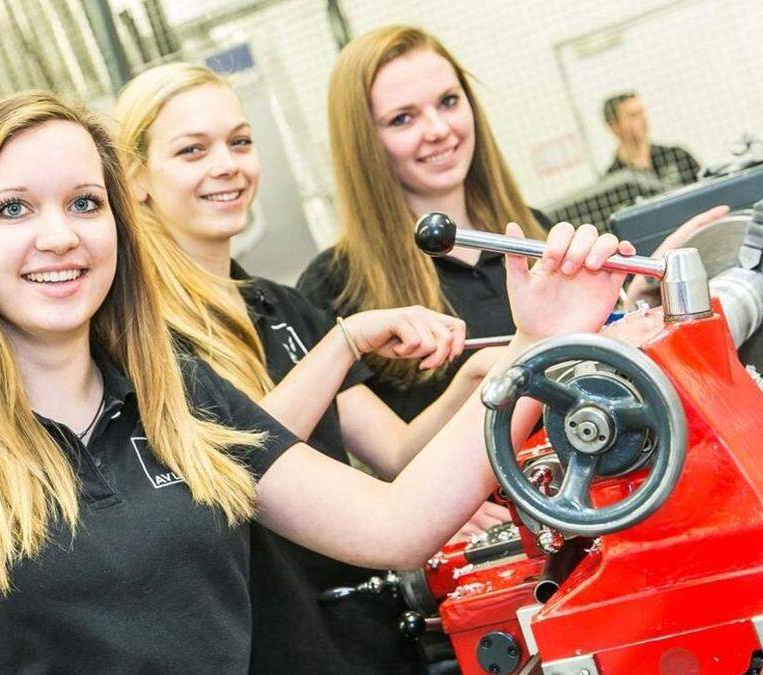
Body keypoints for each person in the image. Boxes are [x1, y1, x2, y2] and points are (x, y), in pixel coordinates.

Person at [0, 90, 633, 673]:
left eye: (84, 202)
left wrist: (539, 343)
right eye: (13, 208)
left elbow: (395, 522)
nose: (59, 236)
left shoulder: (180, 400)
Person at [113, 62, 507, 673]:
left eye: (239, 142)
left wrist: (477, 380)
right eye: (193, 151)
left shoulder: (282, 306)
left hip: (364, 636)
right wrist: (345, 342)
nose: (227, 165)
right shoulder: (139, 334)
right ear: (135, 176)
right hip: (270, 640)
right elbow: (238, 469)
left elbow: (397, 452)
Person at [297, 26, 725, 422]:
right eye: (402, 119)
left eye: (448, 102)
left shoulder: (530, 230)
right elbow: (376, 466)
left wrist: (636, 300)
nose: (439, 129)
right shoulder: (332, 285)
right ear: (364, 141)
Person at [602, 91, 701, 188]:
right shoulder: (612, 181)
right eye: (633, 116)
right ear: (614, 126)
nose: (643, 119)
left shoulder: (678, 156)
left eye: (642, 113)